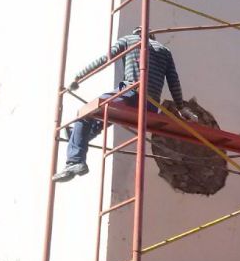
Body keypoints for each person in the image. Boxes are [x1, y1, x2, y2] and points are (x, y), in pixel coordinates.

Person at [53, 27, 198, 182]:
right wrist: (182, 108)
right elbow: (173, 82)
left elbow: (106, 59)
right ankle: (79, 136)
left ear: (137, 33)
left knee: (85, 114)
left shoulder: (130, 40)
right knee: (106, 115)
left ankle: (74, 161)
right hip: (151, 106)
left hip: (131, 94)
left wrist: (78, 77)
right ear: (153, 37)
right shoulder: (165, 51)